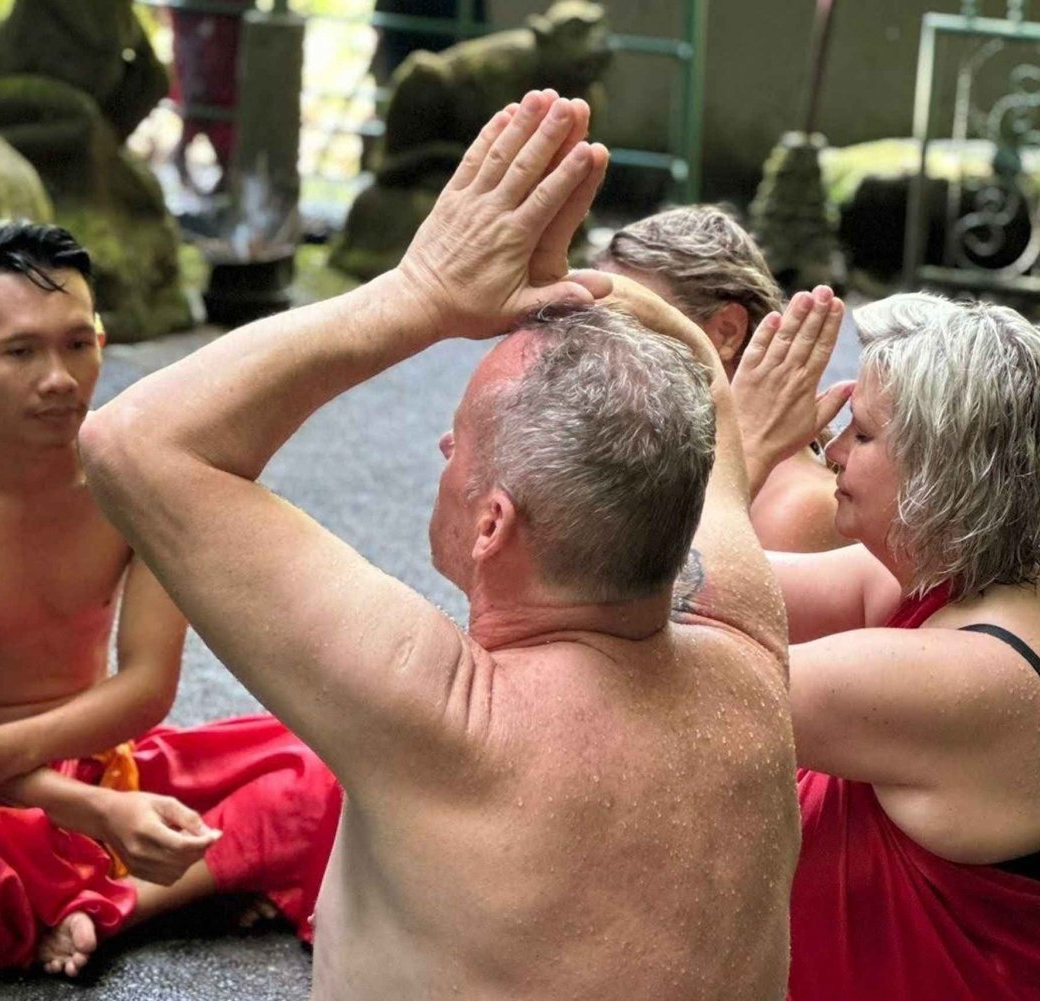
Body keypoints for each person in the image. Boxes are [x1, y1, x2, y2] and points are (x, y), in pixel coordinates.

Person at [79, 91, 801, 1000]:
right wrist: (580, 288)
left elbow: (132, 443)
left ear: (495, 523)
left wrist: (419, 296)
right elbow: (713, 403)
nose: (442, 449)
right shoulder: (747, 646)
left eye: (461, 438)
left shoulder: (442, 716)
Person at [0, 220, 341, 977]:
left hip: (112, 766)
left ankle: (109, 907)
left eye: (79, 343)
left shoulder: (134, 478)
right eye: (21, 351)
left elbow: (147, 685)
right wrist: (94, 811)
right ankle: (168, 882)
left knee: (330, 758)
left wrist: (107, 797)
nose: (60, 377)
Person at [718, 290, 1040, 999]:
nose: (834, 449)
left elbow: (685, 684)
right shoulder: (959, 584)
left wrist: (741, 450)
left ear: (941, 473)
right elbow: (687, 588)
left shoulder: (967, 673)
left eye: (866, 433)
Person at [596, 204, 848, 552]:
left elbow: (682, 599)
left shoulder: (795, 508)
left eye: (633, 325)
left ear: (727, 331)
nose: (598, 351)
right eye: (594, 325)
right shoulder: (656, 462)